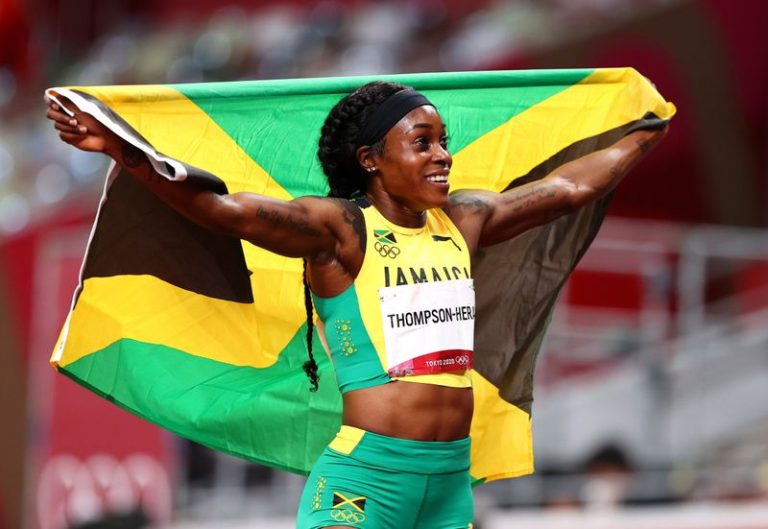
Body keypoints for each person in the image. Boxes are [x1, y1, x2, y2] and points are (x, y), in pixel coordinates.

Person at [47, 80, 667, 529]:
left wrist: (645, 130)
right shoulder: (342, 231)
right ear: (370, 159)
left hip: (449, 485)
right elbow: (224, 210)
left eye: (443, 142)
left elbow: (567, 187)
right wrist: (119, 147)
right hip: (367, 482)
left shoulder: (463, 220)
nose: (443, 155)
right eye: (422, 143)